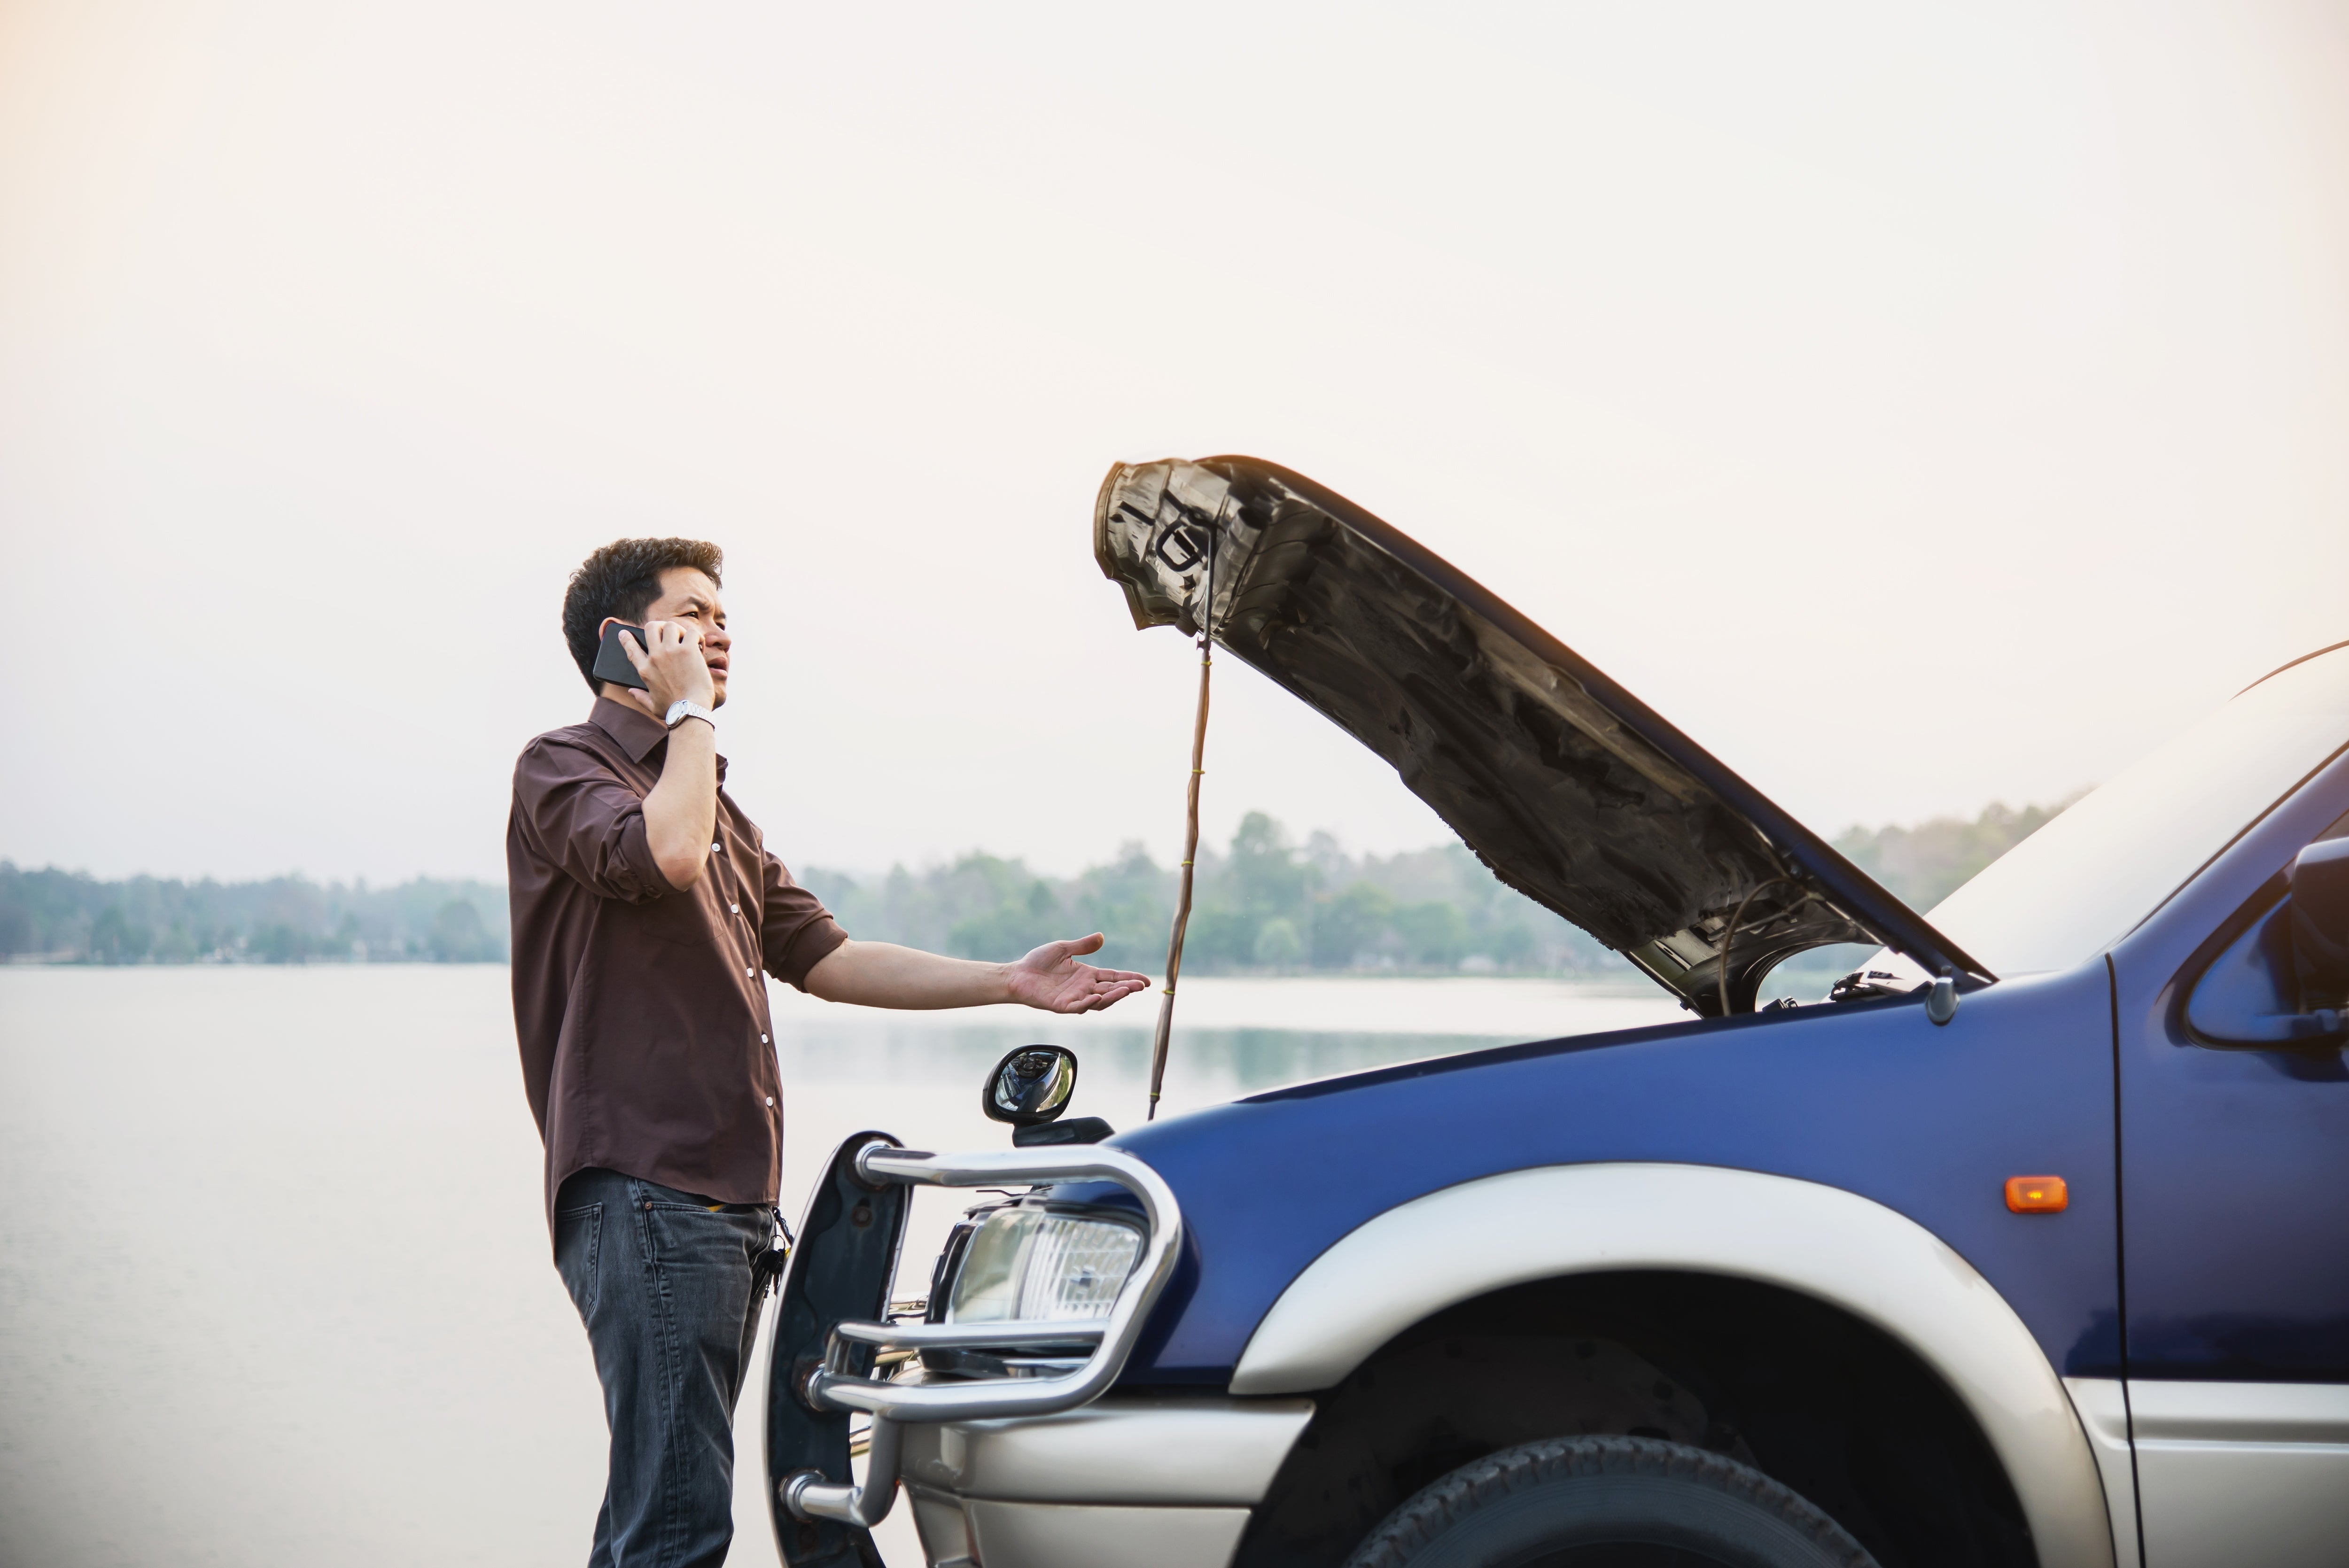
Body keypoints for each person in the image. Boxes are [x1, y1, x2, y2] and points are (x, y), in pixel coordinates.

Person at [507, 537, 1148, 1568]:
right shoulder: (566, 767)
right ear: (623, 639)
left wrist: (1008, 980)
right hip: (645, 1187)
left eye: (725, 618)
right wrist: (691, 717)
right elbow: (664, 854)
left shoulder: (719, 806)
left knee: (668, 1507)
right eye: (695, 614)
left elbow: (834, 957)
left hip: (724, 1201)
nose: (720, 634)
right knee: (674, 1522)